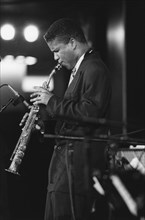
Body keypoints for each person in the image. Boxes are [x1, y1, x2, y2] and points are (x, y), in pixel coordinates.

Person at [30, 18, 112, 220]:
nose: (56, 58)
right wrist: (42, 120)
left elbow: (89, 113)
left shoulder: (94, 68)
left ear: (73, 43)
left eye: (57, 50)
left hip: (76, 165)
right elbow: (72, 115)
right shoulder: (79, 69)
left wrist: (52, 101)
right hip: (65, 162)